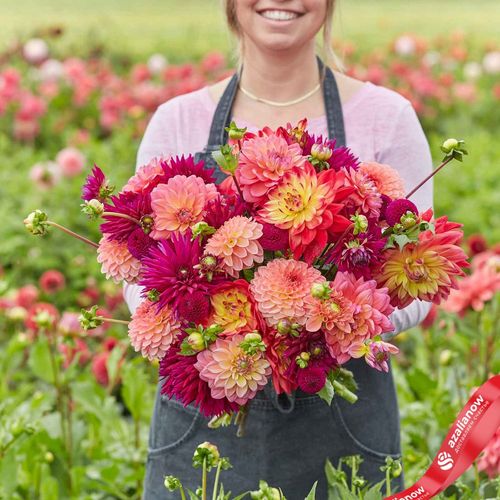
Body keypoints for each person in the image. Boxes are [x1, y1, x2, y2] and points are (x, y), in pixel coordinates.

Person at [124, 1, 434, 498]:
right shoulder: (176, 122)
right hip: (206, 412)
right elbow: (137, 274)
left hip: (342, 415)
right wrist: (222, 329)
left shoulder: (386, 118)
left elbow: (417, 280)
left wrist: (320, 325)